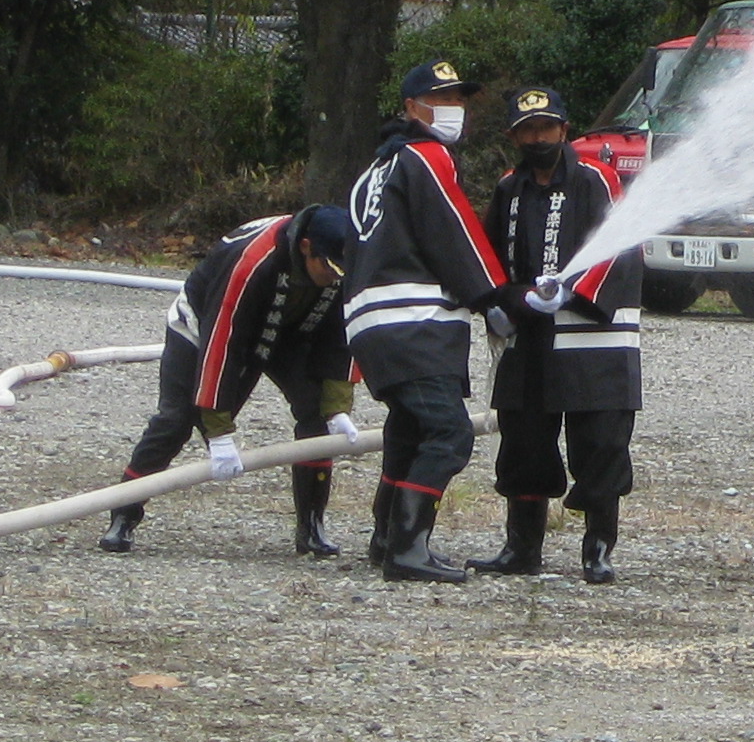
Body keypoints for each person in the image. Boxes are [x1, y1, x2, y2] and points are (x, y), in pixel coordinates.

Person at [345, 58, 528, 584]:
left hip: (369, 322)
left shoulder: (375, 168)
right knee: (449, 433)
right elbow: (453, 229)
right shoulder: (426, 156)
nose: (454, 110)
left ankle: (385, 539)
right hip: (412, 320)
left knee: (409, 428)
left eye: (459, 99)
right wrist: (493, 296)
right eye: (441, 99)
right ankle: (407, 549)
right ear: (410, 107)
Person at [102, 207, 358, 558]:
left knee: (316, 413)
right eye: (327, 268)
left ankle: (311, 526)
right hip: (206, 325)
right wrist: (219, 432)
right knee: (176, 421)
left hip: (288, 332)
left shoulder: (342, 267)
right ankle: (123, 514)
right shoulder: (253, 262)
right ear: (305, 247)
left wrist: (337, 406)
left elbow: (342, 336)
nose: (333, 278)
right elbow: (223, 343)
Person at [475, 86, 644, 584]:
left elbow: (617, 246)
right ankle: (521, 547)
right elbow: (487, 257)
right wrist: (500, 302)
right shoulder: (508, 188)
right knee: (523, 441)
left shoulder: (598, 179)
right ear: (513, 136)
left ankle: (598, 549)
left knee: (600, 443)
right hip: (528, 336)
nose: (537, 137)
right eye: (526, 130)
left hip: (595, 334)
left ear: (564, 129)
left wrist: (569, 291)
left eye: (546, 127)